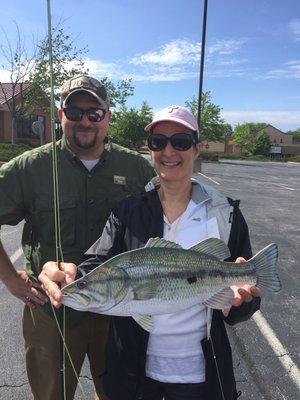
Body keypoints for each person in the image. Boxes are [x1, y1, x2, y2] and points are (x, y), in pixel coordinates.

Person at [39, 105, 261, 400]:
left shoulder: (225, 215)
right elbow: (97, 265)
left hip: (201, 378)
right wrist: (68, 276)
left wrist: (242, 303)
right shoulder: (127, 211)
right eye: (158, 142)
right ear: (150, 150)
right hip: (133, 377)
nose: (169, 151)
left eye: (180, 141)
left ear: (196, 149)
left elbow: (238, 303)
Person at [0, 75, 156, 400]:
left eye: (95, 113)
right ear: (60, 115)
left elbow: (169, 222)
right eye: (75, 111)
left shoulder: (137, 169)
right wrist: (9, 278)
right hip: (51, 314)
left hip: (119, 313)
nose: (85, 121)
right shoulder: (30, 169)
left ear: (108, 117)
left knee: (120, 394)